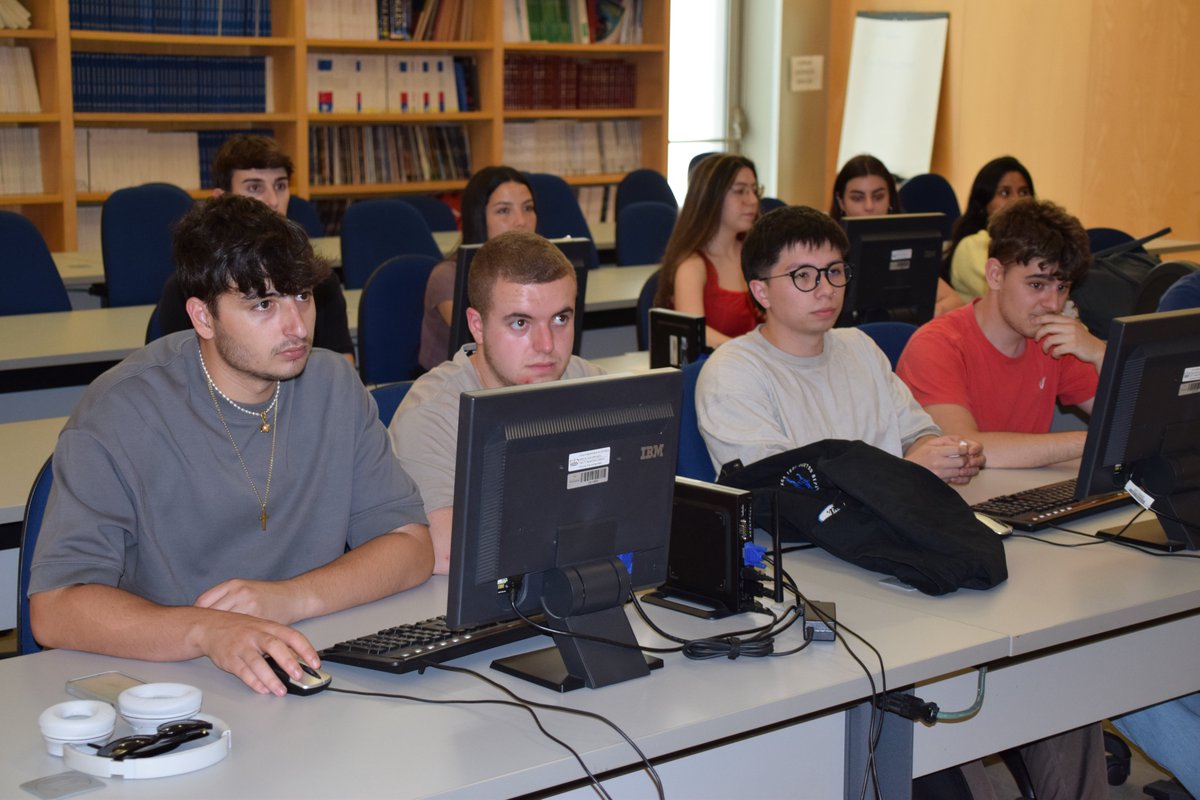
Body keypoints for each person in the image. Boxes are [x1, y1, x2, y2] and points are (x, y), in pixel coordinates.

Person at [28, 195, 434, 695]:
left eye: (302, 296)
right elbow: (55, 607)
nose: (295, 327)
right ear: (202, 317)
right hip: (169, 681)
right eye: (263, 304)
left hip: (311, 662)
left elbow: (411, 548)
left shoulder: (334, 384)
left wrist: (290, 599)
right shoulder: (119, 412)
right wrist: (206, 630)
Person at [695, 204, 985, 484]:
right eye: (803, 276)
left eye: (834, 271)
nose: (826, 290)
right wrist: (907, 471)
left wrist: (942, 455)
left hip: (892, 519)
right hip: (803, 532)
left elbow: (916, 433)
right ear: (761, 292)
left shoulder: (860, 346)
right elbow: (785, 488)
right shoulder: (733, 372)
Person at [390, 230, 604, 574]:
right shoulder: (432, 414)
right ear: (477, 325)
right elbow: (448, 550)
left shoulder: (595, 386)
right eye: (520, 323)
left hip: (579, 581)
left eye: (561, 319)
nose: (546, 345)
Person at [896, 198, 1104, 467]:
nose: (1053, 304)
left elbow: (1134, 426)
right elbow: (964, 449)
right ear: (995, 275)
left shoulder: (1054, 339)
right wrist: (1090, 441)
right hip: (958, 501)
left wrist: (1100, 353)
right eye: (1037, 285)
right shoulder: (936, 345)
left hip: (1021, 495)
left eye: (1062, 287)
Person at [155, 134, 357, 366]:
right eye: (255, 187)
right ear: (222, 199)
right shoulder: (188, 287)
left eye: (280, 186)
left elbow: (343, 369)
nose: (272, 200)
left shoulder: (316, 279)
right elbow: (178, 379)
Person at [418, 165, 537, 371]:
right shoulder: (448, 276)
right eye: (504, 210)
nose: (521, 221)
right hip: (452, 387)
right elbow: (486, 346)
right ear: (478, 218)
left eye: (528, 208)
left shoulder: (538, 271)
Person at [829, 154, 964, 317]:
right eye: (857, 198)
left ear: (890, 199)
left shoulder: (906, 242)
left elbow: (956, 302)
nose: (869, 206)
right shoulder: (826, 248)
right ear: (841, 201)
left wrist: (926, 315)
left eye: (878, 197)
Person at [653, 153, 761, 346]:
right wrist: (752, 354)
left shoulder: (759, 253)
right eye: (740, 191)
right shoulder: (692, 266)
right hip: (719, 369)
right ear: (711, 197)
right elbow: (696, 334)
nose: (752, 200)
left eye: (754, 190)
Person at [946, 156, 1035, 300]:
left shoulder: (1037, 243)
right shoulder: (971, 245)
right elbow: (1013, 297)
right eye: (1005, 193)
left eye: (1024, 192)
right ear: (983, 204)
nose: (1017, 201)